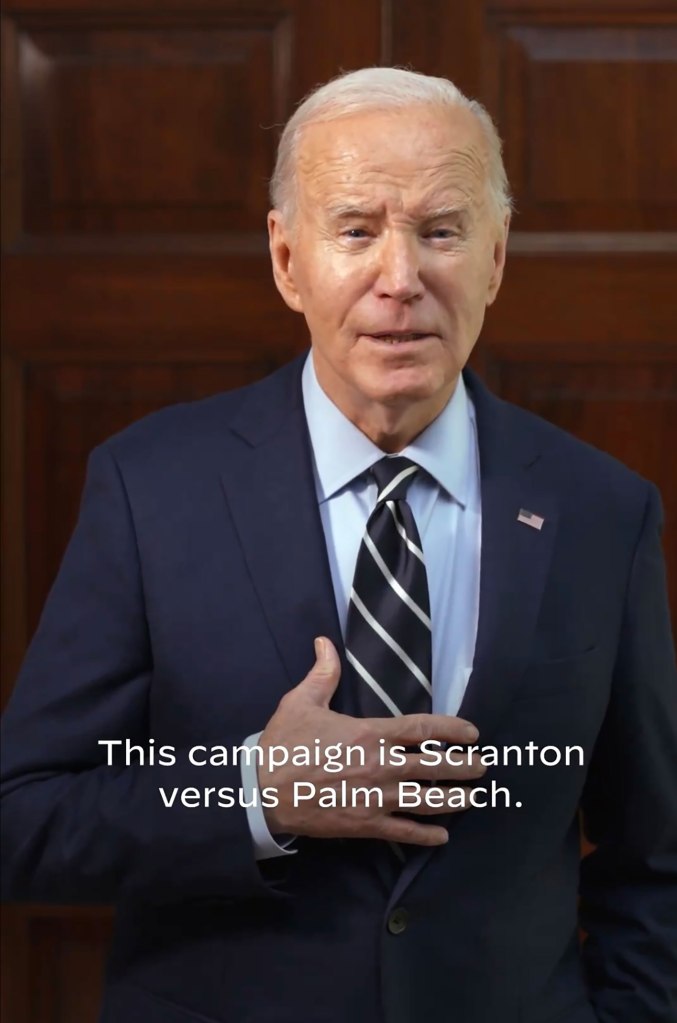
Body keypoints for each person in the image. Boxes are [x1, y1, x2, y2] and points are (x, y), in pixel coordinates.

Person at [1, 67, 676, 1023]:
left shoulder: (603, 509)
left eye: (441, 231)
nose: (399, 278)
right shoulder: (151, 486)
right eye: (356, 229)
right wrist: (253, 794)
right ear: (287, 260)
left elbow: (654, 856)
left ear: (493, 259)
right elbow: (25, 816)